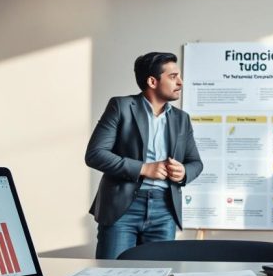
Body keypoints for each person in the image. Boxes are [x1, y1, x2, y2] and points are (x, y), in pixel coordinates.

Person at [85, 52, 203, 259]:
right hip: (122, 208)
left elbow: (195, 162)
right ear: (152, 81)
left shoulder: (181, 119)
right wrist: (143, 168)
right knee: (111, 273)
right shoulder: (121, 107)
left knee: (158, 274)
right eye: (173, 76)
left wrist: (184, 172)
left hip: (165, 209)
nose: (180, 82)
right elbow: (95, 154)